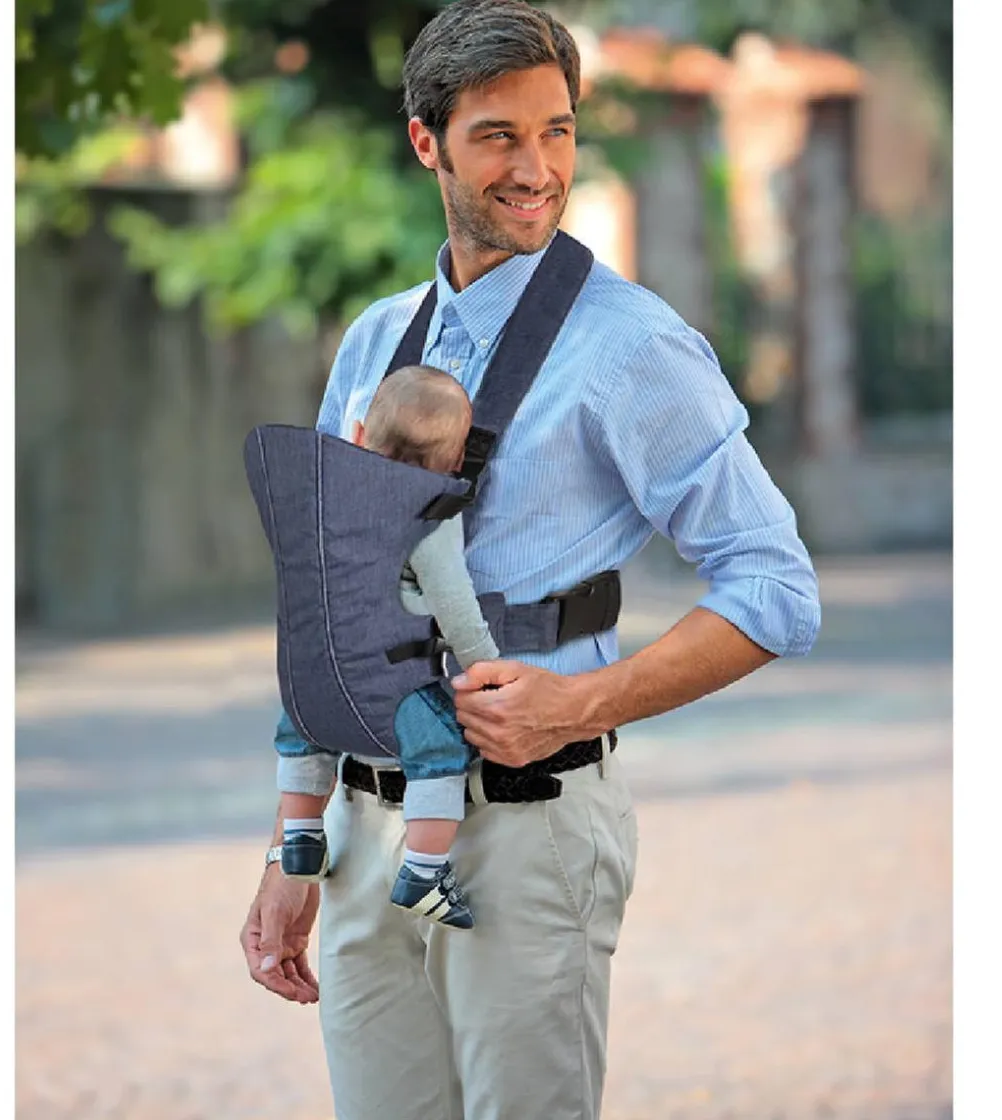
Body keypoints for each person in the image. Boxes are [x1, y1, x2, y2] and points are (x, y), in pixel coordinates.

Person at [239, 1, 822, 1117]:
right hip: (359, 831)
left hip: (528, 824)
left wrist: (581, 702)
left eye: (556, 131)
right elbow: (332, 598)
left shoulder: (633, 346)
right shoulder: (373, 342)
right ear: (428, 142)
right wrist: (288, 849)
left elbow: (775, 585)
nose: (536, 168)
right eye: (498, 135)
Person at [273, 363, 499, 931]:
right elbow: (455, 605)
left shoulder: (325, 496)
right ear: (454, 462)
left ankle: (301, 837)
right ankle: (424, 871)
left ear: (355, 436)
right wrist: (486, 669)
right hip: (390, 685)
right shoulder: (429, 516)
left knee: (302, 732)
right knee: (439, 750)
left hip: (318, 674)